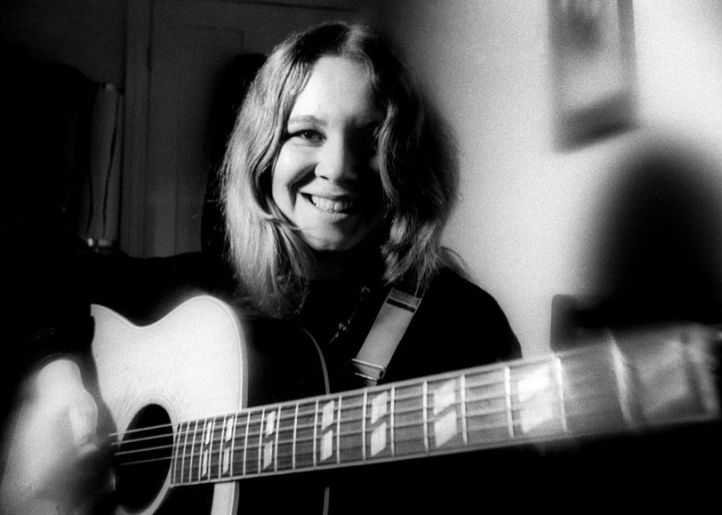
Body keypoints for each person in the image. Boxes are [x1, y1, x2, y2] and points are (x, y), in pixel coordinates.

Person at [0, 21, 519, 514]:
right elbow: (35, 289)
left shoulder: (462, 325)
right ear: (264, 154)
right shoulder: (198, 291)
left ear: (405, 157)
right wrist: (55, 388)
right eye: (307, 134)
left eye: (371, 137)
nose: (338, 169)